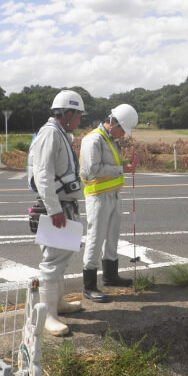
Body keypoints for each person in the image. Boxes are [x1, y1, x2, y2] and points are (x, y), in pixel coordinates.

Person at [27, 89, 85, 336]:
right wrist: (54, 210)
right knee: (51, 262)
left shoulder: (61, 133)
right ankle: (48, 316)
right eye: (79, 115)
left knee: (62, 257)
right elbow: (43, 175)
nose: (80, 120)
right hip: (56, 207)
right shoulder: (50, 134)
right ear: (68, 113)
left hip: (64, 205)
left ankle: (57, 303)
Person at [79, 104, 139, 303]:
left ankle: (110, 276)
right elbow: (93, 169)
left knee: (112, 236)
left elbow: (113, 166)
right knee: (95, 238)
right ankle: (89, 286)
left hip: (113, 194)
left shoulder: (111, 140)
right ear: (112, 122)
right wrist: (122, 169)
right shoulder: (93, 139)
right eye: (122, 129)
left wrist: (124, 168)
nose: (123, 135)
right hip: (97, 196)